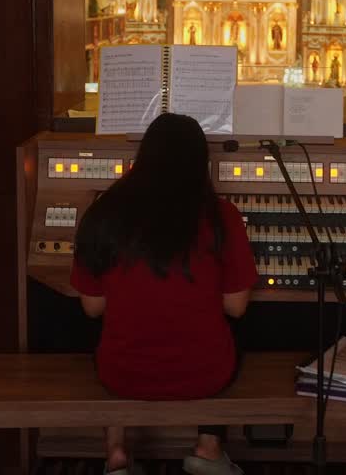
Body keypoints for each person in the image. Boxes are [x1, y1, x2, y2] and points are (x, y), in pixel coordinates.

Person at [71, 113, 257, 475]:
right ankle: (208, 448)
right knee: (236, 328)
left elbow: (92, 308)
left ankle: (116, 454)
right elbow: (236, 306)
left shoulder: (104, 213)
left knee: (103, 328)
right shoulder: (222, 216)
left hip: (121, 373)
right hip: (205, 374)